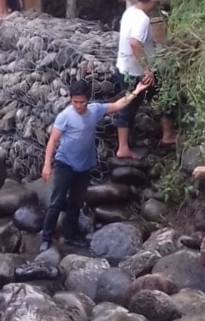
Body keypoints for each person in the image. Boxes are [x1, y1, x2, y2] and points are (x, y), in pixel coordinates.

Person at [40, 77, 150, 252]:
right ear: (70, 99)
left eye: (82, 102)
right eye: (75, 102)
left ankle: (70, 236)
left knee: (76, 203)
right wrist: (47, 164)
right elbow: (53, 141)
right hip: (64, 163)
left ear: (88, 100)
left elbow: (118, 105)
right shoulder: (65, 117)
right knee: (56, 201)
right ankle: (45, 238)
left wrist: (137, 91)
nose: (78, 105)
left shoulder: (95, 110)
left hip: (84, 166)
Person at [114, 0, 176, 160]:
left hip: (124, 68)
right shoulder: (142, 19)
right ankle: (123, 148)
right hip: (137, 73)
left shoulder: (130, 12)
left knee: (136, 103)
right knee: (151, 101)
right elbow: (134, 43)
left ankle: (166, 135)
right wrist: (147, 69)